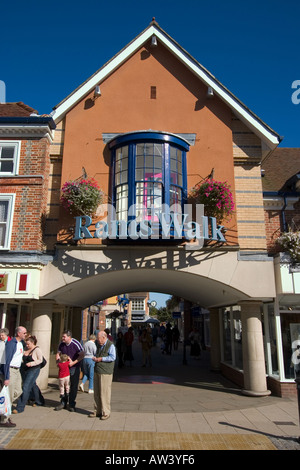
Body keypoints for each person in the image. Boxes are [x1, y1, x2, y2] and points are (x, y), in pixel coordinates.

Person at [0, 326, 27, 427]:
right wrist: (6, 377)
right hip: (11, 370)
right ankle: (4, 419)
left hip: (17, 370)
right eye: (24, 333)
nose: (25, 334)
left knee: (18, 391)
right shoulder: (12, 344)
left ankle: (5, 413)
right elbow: (6, 360)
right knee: (9, 395)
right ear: (19, 333)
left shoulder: (20, 343)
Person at [55, 330, 85, 412]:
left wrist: (73, 363)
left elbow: (82, 355)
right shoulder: (61, 344)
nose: (62, 338)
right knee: (64, 385)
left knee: (73, 386)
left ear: (69, 337)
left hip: (74, 367)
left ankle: (71, 404)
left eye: (64, 337)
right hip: (64, 368)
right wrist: (58, 361)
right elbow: (58, 353)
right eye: (62, 336)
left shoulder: (75, 343)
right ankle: (63, 402)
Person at [89, 331, 116, 420]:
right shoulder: (98, 345)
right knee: (97, 392)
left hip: (106, 372)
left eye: (99, 338)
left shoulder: (110, 345)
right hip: (97, 370)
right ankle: (97, 410)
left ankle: (106, 412)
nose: (97, 340)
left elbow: (113, 357)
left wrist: (101, 359)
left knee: (104, 393)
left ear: (104, 337)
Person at [13, 335, 43, 414]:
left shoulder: (37, 350)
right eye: (26, 344)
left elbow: (40, 360)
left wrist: (32, 363)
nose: (27, 345)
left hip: (33, 370)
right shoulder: (25, 349)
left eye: (28, 344)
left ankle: (20, 407)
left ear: (33, 343)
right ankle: (39, 400)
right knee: (32, 385)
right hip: (24, 369)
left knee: (25, 387)